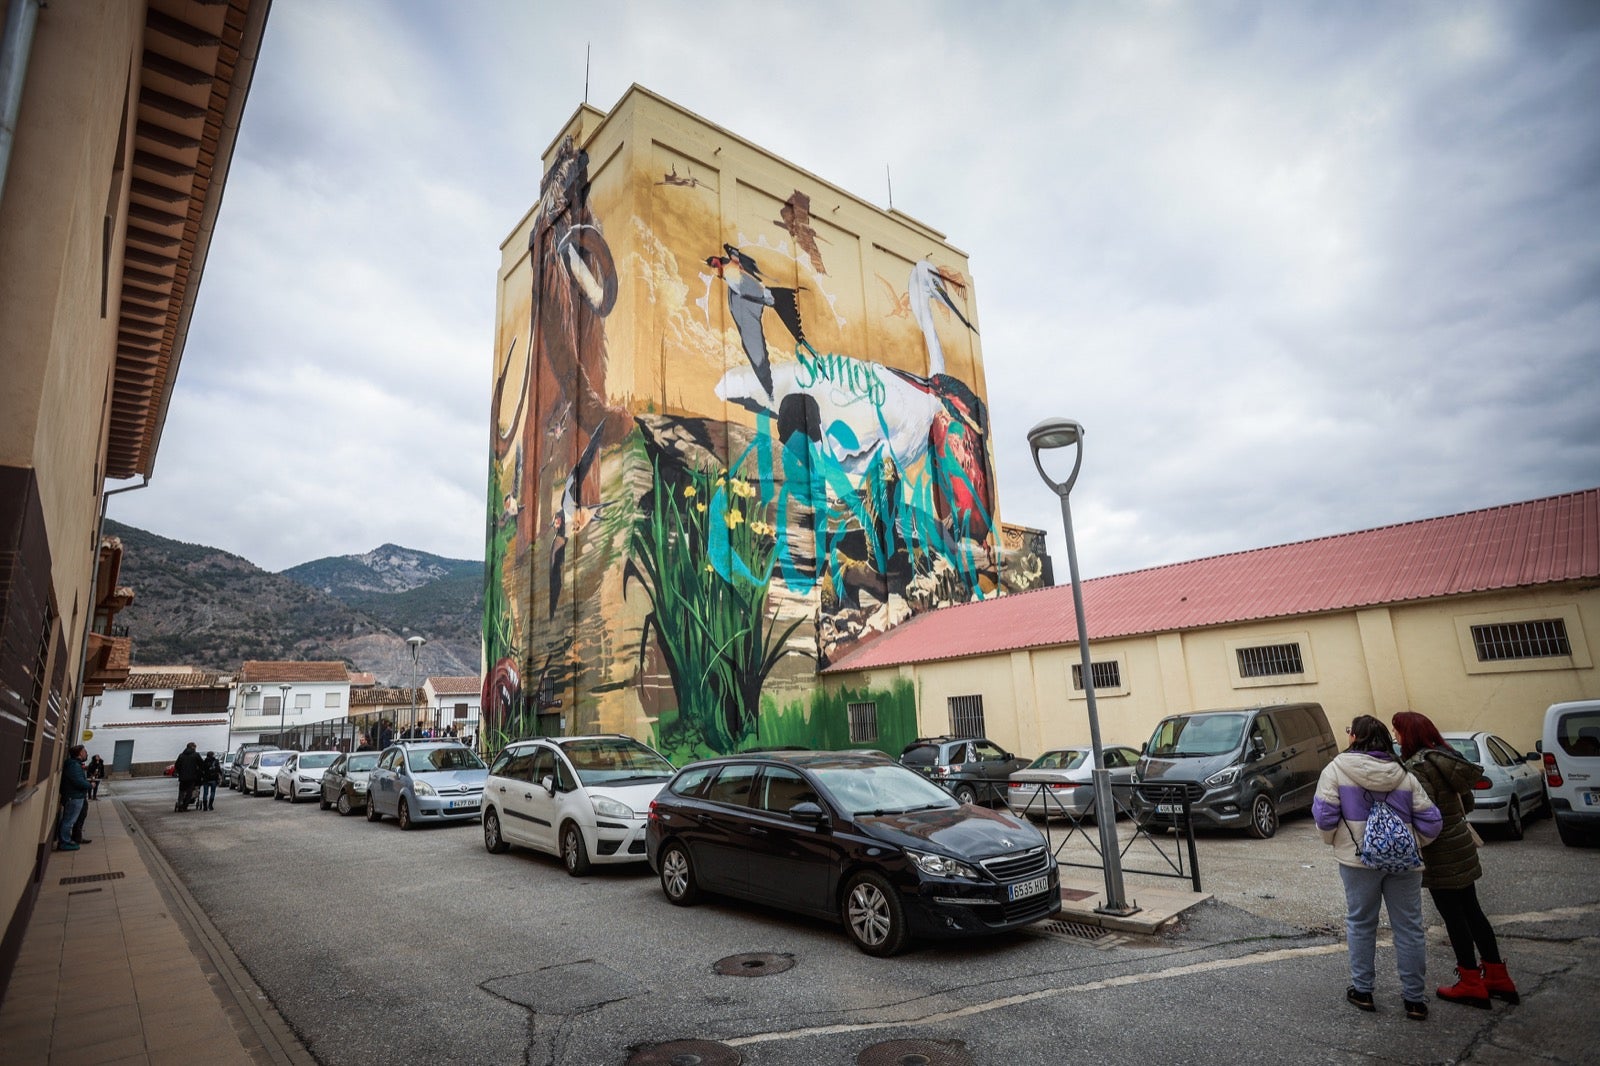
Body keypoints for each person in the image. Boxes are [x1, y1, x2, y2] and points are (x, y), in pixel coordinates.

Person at [1314, 715, 1442, 1020]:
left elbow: (1324, 816)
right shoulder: (1403, 774)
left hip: (1357, 860)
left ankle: (1363, 991)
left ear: (1355, 737)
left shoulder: (1336, 769)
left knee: (1360, 923)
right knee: (1409, 927)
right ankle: (1414, 999)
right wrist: (1409, 842)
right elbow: (1432, 820)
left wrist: (1338, 841)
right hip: (1404, 862)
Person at [1392, 710, 1519, 1008]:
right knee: (1473, 911)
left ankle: (1471, 982)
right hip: (1461, 844)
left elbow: (1425, 813)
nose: (1395, 737)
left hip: (1440, 851)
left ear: (1408, 734)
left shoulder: (1418, 767)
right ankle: (1498, 977)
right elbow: (1468, 801)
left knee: (1454, 917)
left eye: (1397, 731)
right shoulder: (1444, 759)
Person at [57, 745, 91, 851]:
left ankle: (70, 839)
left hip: (75, 796)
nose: (86, 753)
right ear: (80, 753)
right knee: (69, 820)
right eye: (84, 751)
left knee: (71, 819)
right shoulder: (74, 766)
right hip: (74, 797)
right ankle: (64, 842)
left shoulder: (75, 765)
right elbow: (78, 781)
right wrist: (90, 785)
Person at [174, 741, 204, 812]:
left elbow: (177, 765)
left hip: (182, 777)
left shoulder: (181, 755)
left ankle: (180, 804)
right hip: (192, 777)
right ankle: (185, 806)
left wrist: (179, 772)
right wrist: (199, 772)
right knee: (189, 792)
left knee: (181, 791)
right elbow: (201, 764)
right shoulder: (196, 755)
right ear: (193, 747)